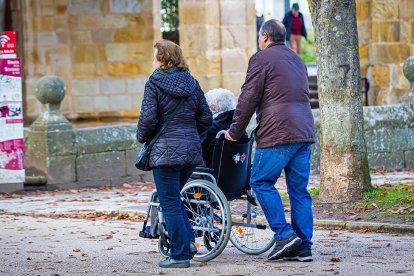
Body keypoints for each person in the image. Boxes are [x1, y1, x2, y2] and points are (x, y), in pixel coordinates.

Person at [224, 19, 315, 262]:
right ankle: (304, 246)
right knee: (299, 191)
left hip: (278, 132)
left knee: (260, 181)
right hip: (303, 131)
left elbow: (247, 100)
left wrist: (233, 132)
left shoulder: (261, 59)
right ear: (282, 37)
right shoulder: (297, 59)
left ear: (264, 37)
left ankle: (285, 234)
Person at [136, 40, 212, 268]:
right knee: (174, 198)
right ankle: (187, 243)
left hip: (165, 153)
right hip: (190, 152)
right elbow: (206, 119)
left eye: (155, 56)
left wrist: (142, 136)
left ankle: (179, 255)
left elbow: (147, 120)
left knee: (168, 201)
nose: (152, 61)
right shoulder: (192, 82)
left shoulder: (154, 83)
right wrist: (189, 135)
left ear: (163, 59)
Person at [200, 88, 247, 166]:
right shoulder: (239, 127)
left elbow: (197, 155)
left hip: (212, 174)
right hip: (239, 174)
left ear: (213, 108)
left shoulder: (210, 128)